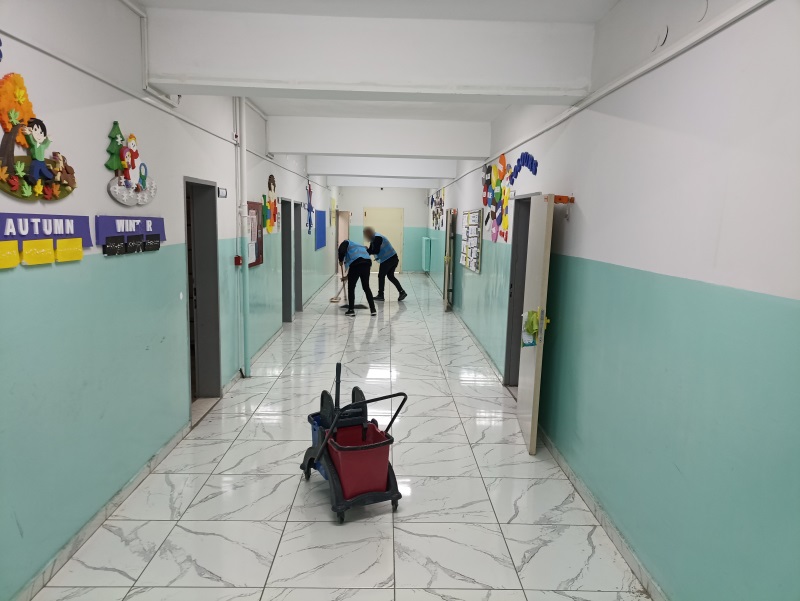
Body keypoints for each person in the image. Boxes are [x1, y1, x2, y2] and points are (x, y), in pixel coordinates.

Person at [364, 227, 406, 302]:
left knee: (381, 275)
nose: (365, 236)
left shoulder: (377, 238)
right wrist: (364, 251)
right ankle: (402, 292)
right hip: (392, 258)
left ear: (369, 233)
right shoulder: (374, 238)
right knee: (390, 276)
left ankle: (381, 295)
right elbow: (370, 250)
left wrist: (366, 251)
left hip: (388, 259)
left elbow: (376, 251)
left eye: (366, 234)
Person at [338, 240, 377, 317]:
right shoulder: (358, 246)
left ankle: (351, 310)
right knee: (366, 287)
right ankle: (373, 310)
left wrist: (340, 260)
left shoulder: (345, 242)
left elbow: (341, 251)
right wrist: (347, 277)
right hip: (367, 263)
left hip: (356, 264)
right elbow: (358, 264)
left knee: (351, 287)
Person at [21, 119, 54, 184]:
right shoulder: (34, 144)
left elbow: (46, 144)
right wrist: (28, 134)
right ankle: (34, 179)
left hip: (41, 161)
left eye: (41, 133)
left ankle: (50, 177)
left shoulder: (43, 145)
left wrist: (49, 140)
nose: (39, 134)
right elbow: (31, 140)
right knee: (36, 169)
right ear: (31, 130)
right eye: (35, 130)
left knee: (43, 170)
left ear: (44, 136)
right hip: (36, 160)